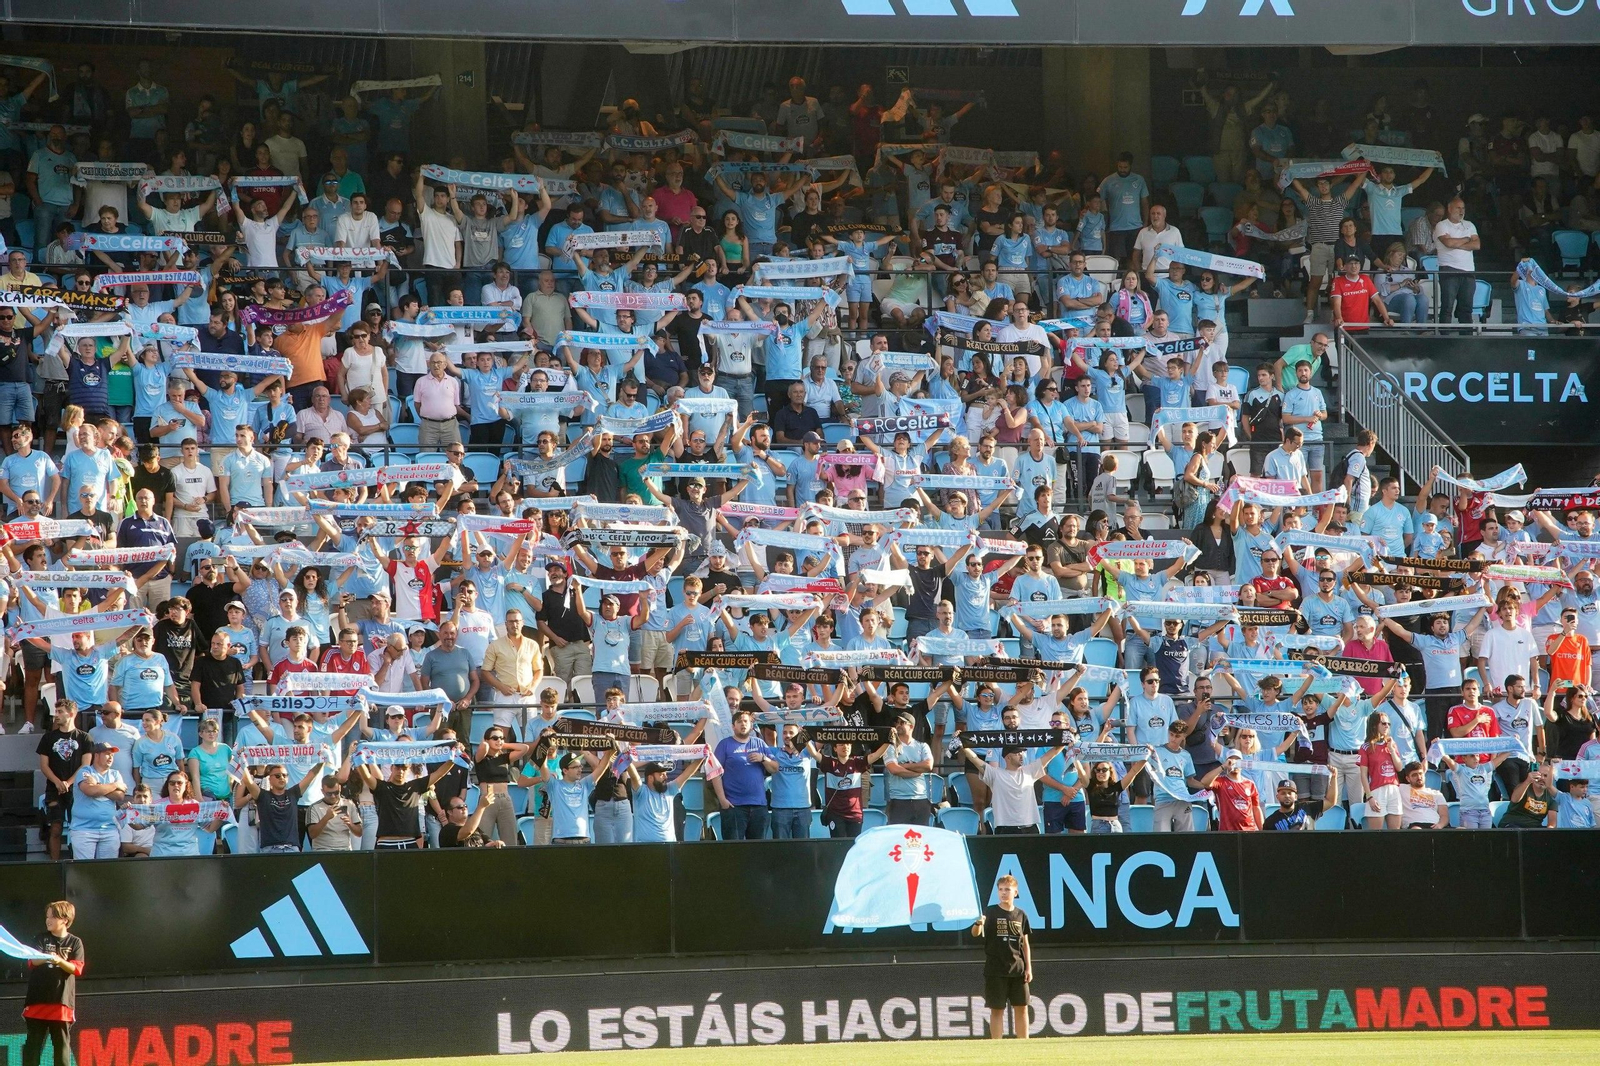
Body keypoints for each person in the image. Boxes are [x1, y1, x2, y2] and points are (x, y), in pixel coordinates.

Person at [20, 901, 83, 1066]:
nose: (48, 920)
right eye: (47, 916)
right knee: (32, 1047)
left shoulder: (75, 942)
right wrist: (48, 957)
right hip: (37, 1002)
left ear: (64, 920)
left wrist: (59, 960)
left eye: (52, 916)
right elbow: (32, 961)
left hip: (61, 1004)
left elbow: (76, 969)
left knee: (61, 1046)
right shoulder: (41, 938)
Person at [970, 873, 1032, 1041]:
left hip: (1018, 969)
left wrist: (1028, 968)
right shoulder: (990, 912)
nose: (1004, 893)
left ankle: (1024, 1044)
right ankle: (997, 1045)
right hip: (995, 969)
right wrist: (978, 924)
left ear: (1016, 892)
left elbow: (1025, 944)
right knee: (997, 1009)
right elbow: (975, 934)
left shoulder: (1021, 915)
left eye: (1008, 889)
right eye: (1001, 889)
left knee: (1022, 1008)